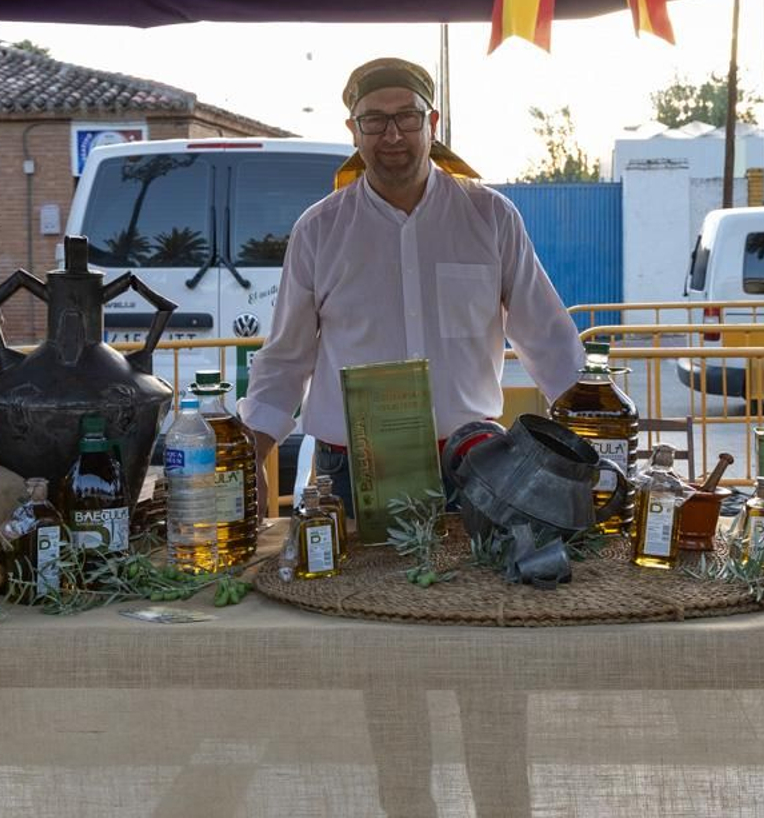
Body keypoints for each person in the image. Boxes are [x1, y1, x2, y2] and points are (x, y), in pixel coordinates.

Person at [238, 57, 586, 511]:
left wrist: (594, 434)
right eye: (374, 120)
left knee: (479, 565)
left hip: (471, 463)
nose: (392, 135)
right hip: (354, 470)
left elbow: (548, 337)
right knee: (348, 564)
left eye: (407, 116)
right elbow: (287, 355)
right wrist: (252, 457)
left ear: (432, 123)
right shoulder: (319, 229)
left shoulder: (490, 216)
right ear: (353, 130)